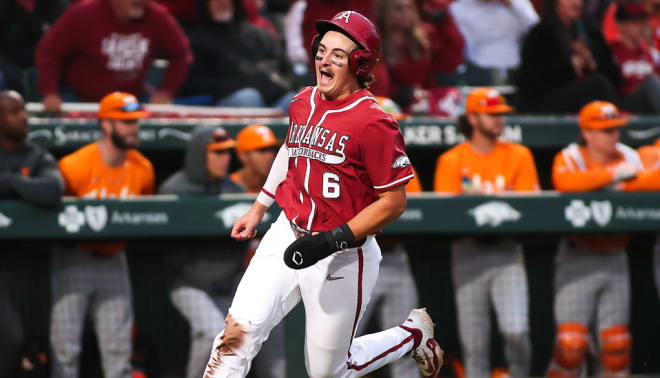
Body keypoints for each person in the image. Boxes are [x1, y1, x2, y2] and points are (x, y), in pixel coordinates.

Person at [203, 11, 443, 378]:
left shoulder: (374, 122)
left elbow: (394, 201)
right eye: (322, 49)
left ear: (359, 64)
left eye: (337, 54)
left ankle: (411, 335)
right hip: (288, 230)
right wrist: (259, 206)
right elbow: (291, 149)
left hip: (344, 253)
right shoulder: (302, 101)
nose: (323, 59)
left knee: (327, 372)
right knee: (235, 338)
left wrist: (333, 240)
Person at [159, 125, 285, 378]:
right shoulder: (174, 190)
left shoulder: (234, 190)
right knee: (210, 331)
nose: (224, 158)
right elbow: (168, 252)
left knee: (262, 325)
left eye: (227, 152)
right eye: (216, 153)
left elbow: (240, 248)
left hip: (226, 281)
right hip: (188, 284)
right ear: (199, 155)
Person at [548, 101, 660, 376]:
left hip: (615, 257)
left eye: (615, 129)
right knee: (571, 347)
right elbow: (566, 183)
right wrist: (610, 176)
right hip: (578, 257)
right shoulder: (571, 157)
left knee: (617, 348)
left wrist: (623, 182)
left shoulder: (629, 156)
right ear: (587, 132)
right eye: (605, 130)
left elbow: (655, 179)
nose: (614, 135)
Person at [434, 88, 537, 378]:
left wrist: (482, 198)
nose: (499, 119)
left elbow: (530, 203)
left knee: (516, 330)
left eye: (501, 114)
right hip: (468, 253)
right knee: (474, 343)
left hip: (507, 253)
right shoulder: (452, 159)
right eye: (492, 114)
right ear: (473, 118)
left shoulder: (519, 155)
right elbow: (444, 212)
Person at [53, 92, 154, 378]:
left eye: (135, 121)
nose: (133, 127)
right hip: (75, 258)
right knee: (65, 350)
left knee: (118, 350)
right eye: (125, 122)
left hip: (114, 259)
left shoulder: (143, 168)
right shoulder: (73, 167)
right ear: (106, 125)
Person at [0, 90, 63, 377]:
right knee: (11, 339)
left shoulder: (36, 155)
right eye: (14, 111)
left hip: (31, 268)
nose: (23, 117)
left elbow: (51, 190)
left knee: (34, 348)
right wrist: (24, 185)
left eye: (24, 110)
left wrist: (10, 180)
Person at [35, 0, 193, 112]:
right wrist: (50, 92)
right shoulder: (83, 13)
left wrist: (166, 92)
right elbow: (48, 51)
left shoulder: (156, 16)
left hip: (130, 100)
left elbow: (181, 53)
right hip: (80, 98)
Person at [177, 0, 294, 110]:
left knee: (297, 100)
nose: (221, 2)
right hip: (226, 103)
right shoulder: (196, 41)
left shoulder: (260, 35)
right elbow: (192, 85)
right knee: (248, 97)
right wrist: (236, 81)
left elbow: (286, 71)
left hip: (272, 99)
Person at [518, 0, 621, 113]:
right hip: (546, 103)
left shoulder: (591, 33)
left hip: (587, 103)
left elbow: (614, 76)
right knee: (598, 84)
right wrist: (573, 64)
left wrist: (592, 61)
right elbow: (537, 81)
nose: (576, 3)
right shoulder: (540, 34)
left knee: (598, 88)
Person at [373, 0, 464, 112]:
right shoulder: (375, 42)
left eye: (409, 7)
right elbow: (374, 84)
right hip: (389, 105)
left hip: (424, 104)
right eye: (398, 8)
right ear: (384, 12)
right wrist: (397, 93)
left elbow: (452, 60)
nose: (406, 12)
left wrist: (444, 22)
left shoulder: (425, 37)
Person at [448, 0, 539, 85]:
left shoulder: (518, 3)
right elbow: (461, 46)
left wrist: (513, 6)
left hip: (519, 69)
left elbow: (537, 32)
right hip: (479, 71)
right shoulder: (459, 8)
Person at [608, 1, 660, 113]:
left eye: (643, 20)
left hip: (650, 105)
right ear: (620, 24)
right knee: (650, 82)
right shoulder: (612, 50)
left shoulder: (648, 53)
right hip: (624, 103)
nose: (640, 26)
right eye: (635, 21)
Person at [230, 124, 280, 193]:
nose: (270, 156)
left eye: (273, 149)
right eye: (262, 150)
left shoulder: (281, 187)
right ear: (243, 155)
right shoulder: (225, 187)